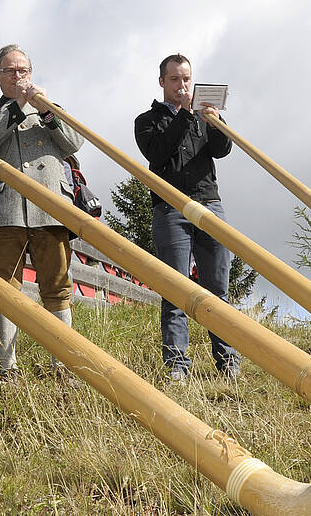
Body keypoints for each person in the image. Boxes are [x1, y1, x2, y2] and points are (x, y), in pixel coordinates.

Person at [0, 44, 83, 378]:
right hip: (5, 211)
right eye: (11, 71)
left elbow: (74, 142)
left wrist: (46, 111)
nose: (18, 77)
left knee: (58, 285)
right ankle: (8, 366)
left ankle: (62, 363)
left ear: (31, 73)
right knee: (3, 287)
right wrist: (18, 106)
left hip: (50, 211)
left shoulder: (49, 109)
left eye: (24, 71)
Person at [134, 53, 240, 382]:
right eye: (176, 79)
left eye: (187, 79)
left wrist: (216, 121)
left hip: (209, 204)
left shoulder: (202, 117)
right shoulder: (147, 120)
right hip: (170, 207)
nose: (183, 85)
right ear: (163, 82)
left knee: (218, 288)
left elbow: (223, 150)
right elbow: (157, 153)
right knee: (175, 288)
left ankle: (228, 362)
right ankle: (178, 367)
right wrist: (184, 114)